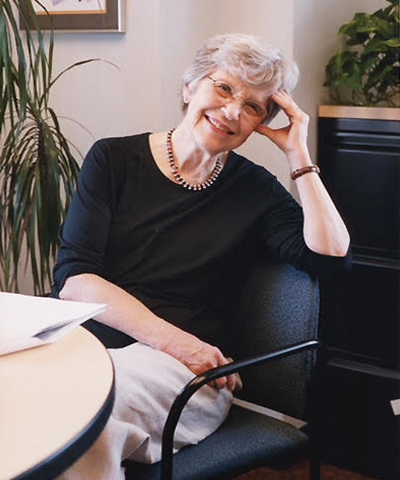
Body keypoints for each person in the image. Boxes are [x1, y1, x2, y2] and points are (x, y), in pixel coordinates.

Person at [53, 33, 351, 479]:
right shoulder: (114, 159)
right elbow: (76, 279)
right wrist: (172, 338)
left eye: (254, 107)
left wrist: (298, 154)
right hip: (100, 348)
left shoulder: (256, 191)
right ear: (190, 87)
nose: (233, 111)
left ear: (261, 124)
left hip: (188, 373)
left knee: (80, 420)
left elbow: (332, 258)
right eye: (224, 87)